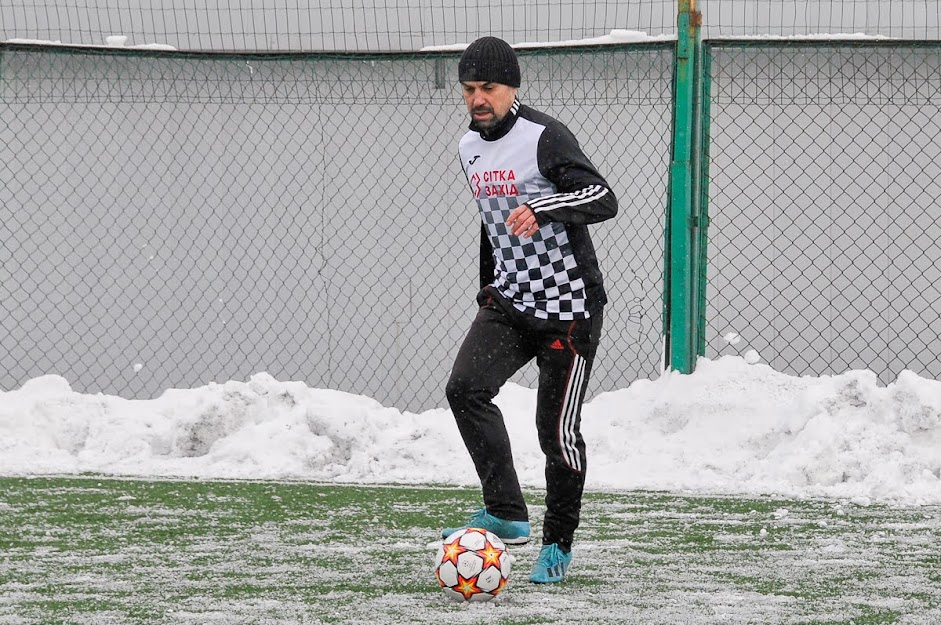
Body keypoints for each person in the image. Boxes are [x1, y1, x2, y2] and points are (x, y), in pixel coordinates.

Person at [442, 36, 618, 584]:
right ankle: (507, 512)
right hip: (511, 301)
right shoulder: (470, 148)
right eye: (469, 89)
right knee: (465, 389)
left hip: (567, 308)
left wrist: (541, 208)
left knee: (555, 432)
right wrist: (488, 290)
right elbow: (492, 225)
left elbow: (602, 198)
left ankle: (557, 545)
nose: (478, 99)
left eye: (488, 88)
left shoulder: (544, 136)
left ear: (512, 87)